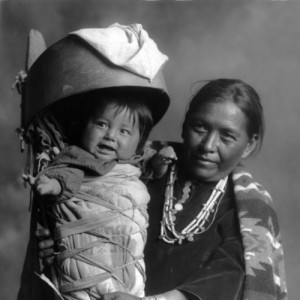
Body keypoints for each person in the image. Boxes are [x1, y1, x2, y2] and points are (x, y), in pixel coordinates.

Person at [38, 79, 287, 300]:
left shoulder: (251, 211)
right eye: (199, 128)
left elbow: (229, 277)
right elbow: (85, 207)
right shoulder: (134, 164)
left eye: (227, 136)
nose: (208, 146)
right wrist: (63, 238)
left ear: (248, 145)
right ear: (184, 124)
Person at [16, 24, 171, 300]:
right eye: (101, 124)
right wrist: (51, 185)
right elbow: (67, 175)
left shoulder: (133, 163)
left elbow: (148, 169)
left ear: (138, 140)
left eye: (124, 131)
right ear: (82, 125)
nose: (110, 136)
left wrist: (160, 163)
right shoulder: (78, 157)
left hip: (125, 261)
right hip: (86, 259)